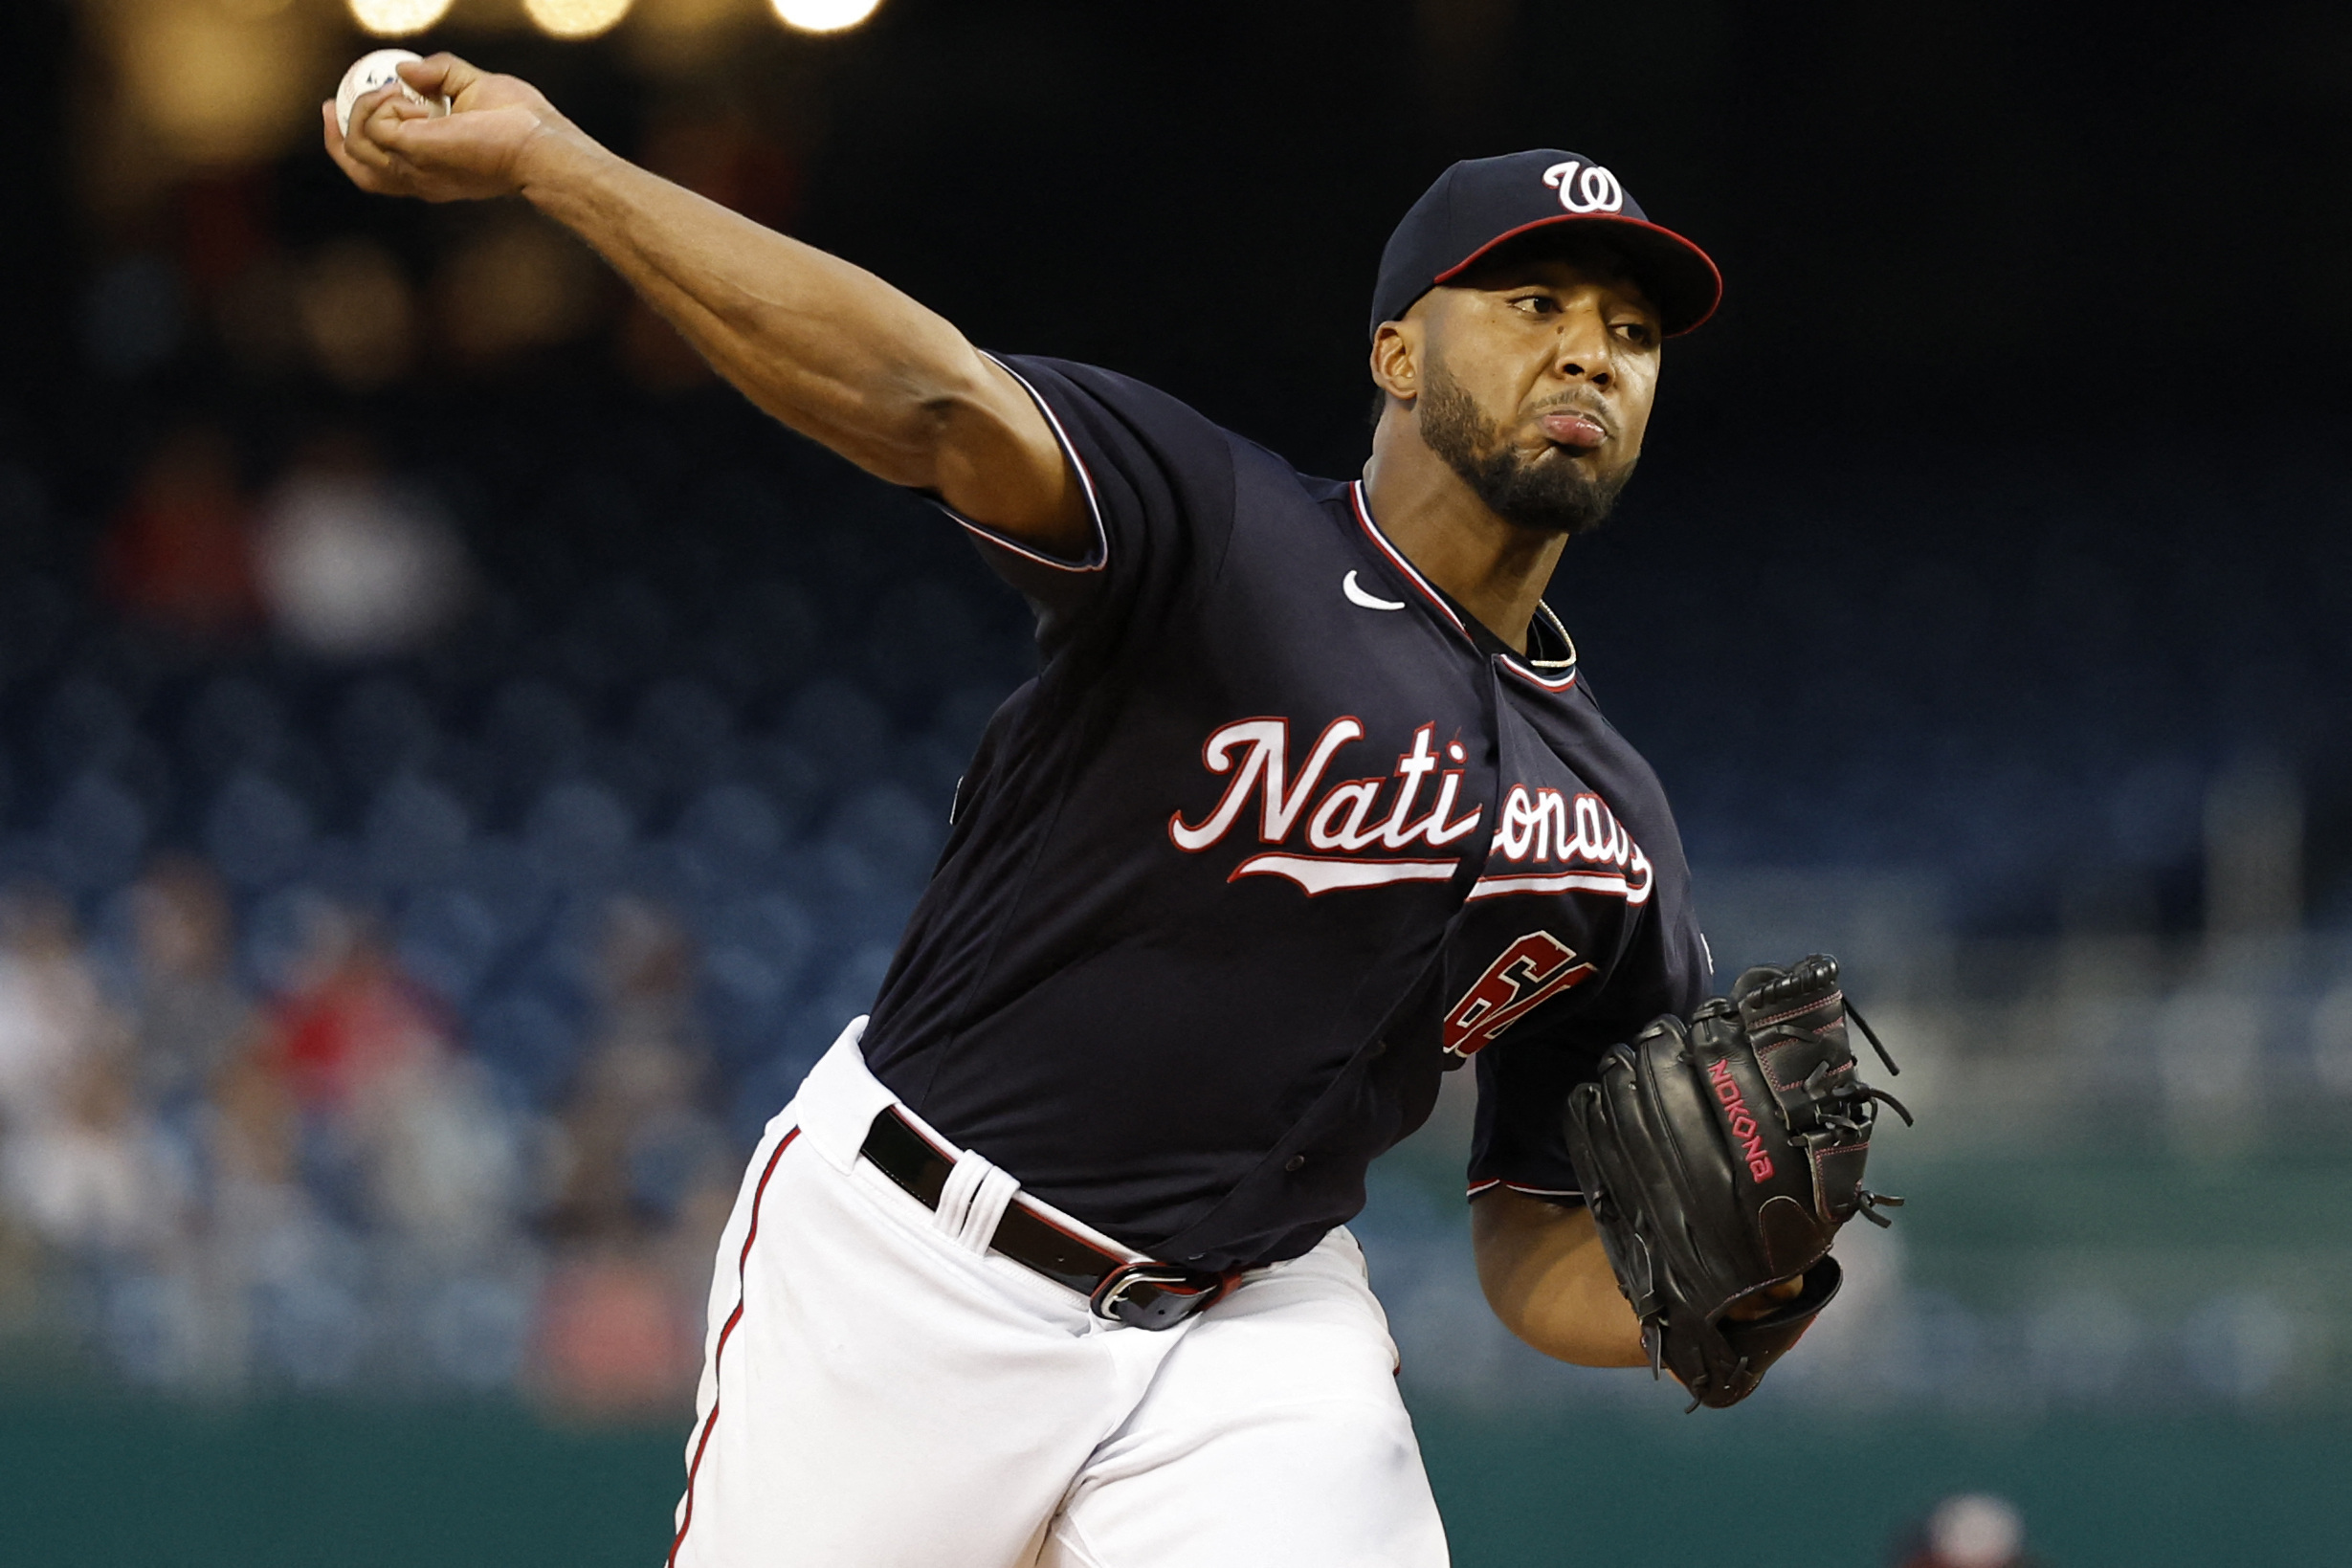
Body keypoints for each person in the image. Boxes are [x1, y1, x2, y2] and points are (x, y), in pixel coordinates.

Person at [328, 57, 1789, 1567]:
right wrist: (559, 160)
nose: (1591, 356)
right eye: (1532, 304)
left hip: (1253, 1323)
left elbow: (1534, 1235)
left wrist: (1723, 1296)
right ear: (1398, 355)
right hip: (914, 1263)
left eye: (1629, 333)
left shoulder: (1612, 827)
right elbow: (932, 395)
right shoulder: (1221, 532)